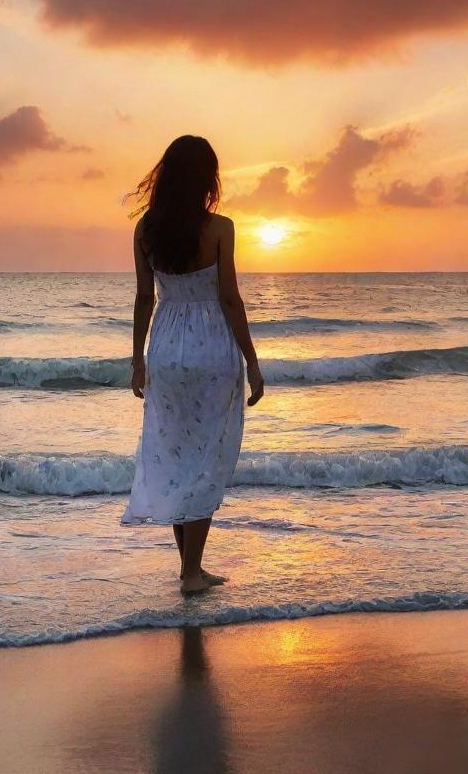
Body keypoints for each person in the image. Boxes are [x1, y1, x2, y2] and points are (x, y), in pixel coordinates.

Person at [120, 135, 264, 595]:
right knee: (203, 459)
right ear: (206, 178)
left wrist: (138, 360)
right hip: (210, 347)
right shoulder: (220, 228)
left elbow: (145, 298)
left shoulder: (146, 230)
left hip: (165, 345)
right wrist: (253, 362)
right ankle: (190, 574)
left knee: (178, 455)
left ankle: (191, 567)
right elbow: (229, 299)